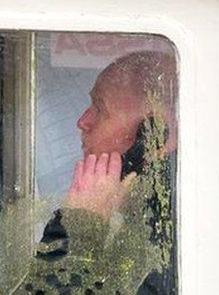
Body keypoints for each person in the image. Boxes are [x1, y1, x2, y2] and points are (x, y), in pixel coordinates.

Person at [24, 50, 178, 294]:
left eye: (100, 109)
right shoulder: (153, 209)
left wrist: (78, 228)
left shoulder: (173, 239)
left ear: (152, 134)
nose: (83, 121)